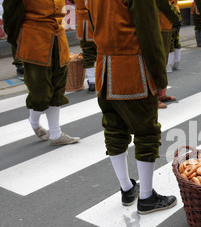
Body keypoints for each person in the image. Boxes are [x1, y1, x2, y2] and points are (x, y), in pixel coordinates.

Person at [85, 0, 177, 214]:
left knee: (114, 129)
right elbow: (150, 34)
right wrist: (160, 77)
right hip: (131, 69)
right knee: (146, 132)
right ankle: (146, 196)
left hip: (104, 69)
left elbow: (93, 23)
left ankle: (127, 188)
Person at [3, 0, 80, 145]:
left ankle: (56, 135)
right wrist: (18, 43)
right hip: (34, 41)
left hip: (59, 39)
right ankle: (34, 122)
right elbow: (10, 18)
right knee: (40, 93)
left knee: (58, 88)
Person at [69, 0, 97, 93]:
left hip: (84, 26)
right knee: (102, 52)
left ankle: (92, 82)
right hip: (98, 23)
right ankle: (103, 80)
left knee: (88, 54)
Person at [157, 0, 181, 108]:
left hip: (166, 24)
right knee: (157, 62)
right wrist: (175, 18)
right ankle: (153, 98)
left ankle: (161, 94)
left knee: (163, 61)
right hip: (159, 24)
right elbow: (162, 2)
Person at [0, 0, 24, 79]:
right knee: (15, 40)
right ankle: (19, 66)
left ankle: (26, 65)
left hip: (23, 12)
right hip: (8, 14)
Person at [167, 0, 182, 73]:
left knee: (170, 40)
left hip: (169, 14)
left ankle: (169, 65)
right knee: (176, 39)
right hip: (176, 12)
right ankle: (177, 63)